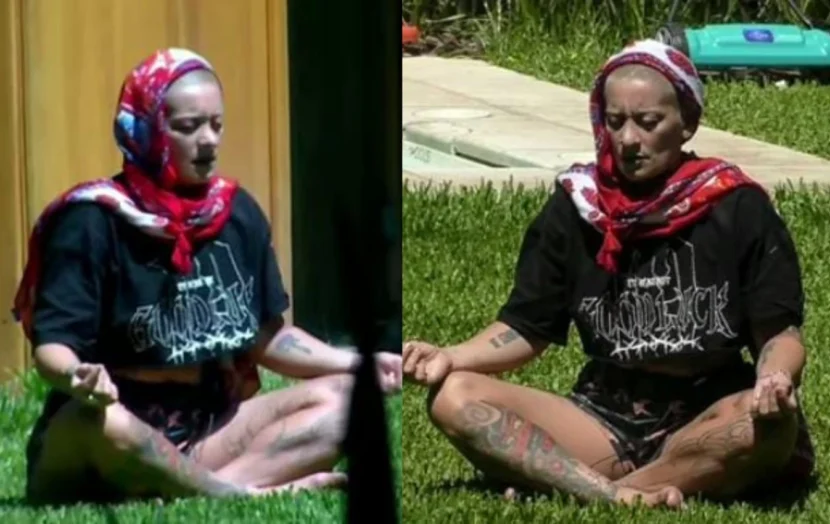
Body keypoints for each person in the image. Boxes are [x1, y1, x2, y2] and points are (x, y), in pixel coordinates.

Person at [402, 39, 814, 509]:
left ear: (688, 123)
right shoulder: (577, 206)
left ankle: (581, 484)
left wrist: (775, 377)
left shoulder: (737, 206)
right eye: (615, 122)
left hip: (708, 410)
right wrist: (450, 356)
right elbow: (526, 327)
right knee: (453, 396)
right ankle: (620, 495)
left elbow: (778, 332)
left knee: (767, 424)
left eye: (648, 122)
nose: (628, 139)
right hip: (603, 416)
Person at [14, 47, 402, 505]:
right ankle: (238, 494)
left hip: (205, 432)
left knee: (351, 401)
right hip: (104, 433)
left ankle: (200, 490)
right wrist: (77, 374)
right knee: (101, 422)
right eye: (188, 126)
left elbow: (266, 338)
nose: (208, 140)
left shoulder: (236, 214)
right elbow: (52, 347)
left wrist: (359, 363)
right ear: (143, 130)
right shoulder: (92, 222)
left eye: (216, 124)